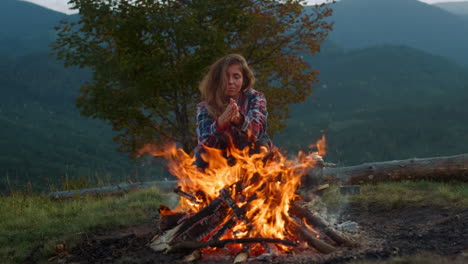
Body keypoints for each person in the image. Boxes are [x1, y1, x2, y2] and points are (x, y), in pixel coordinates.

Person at [195, 54, 273, 170]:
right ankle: (210, 187)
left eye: (236, 77)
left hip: (250, 155)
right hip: (223, 158)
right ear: (217, 80)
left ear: (244, 80)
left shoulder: (254, 98)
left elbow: (258, 131)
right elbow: (204, 141)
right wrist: (220, 124)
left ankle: (259, 184)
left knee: (260, 145)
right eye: (226, 77)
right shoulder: (205, 106)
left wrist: (240, 120)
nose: (230, 82)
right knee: (201, 153)